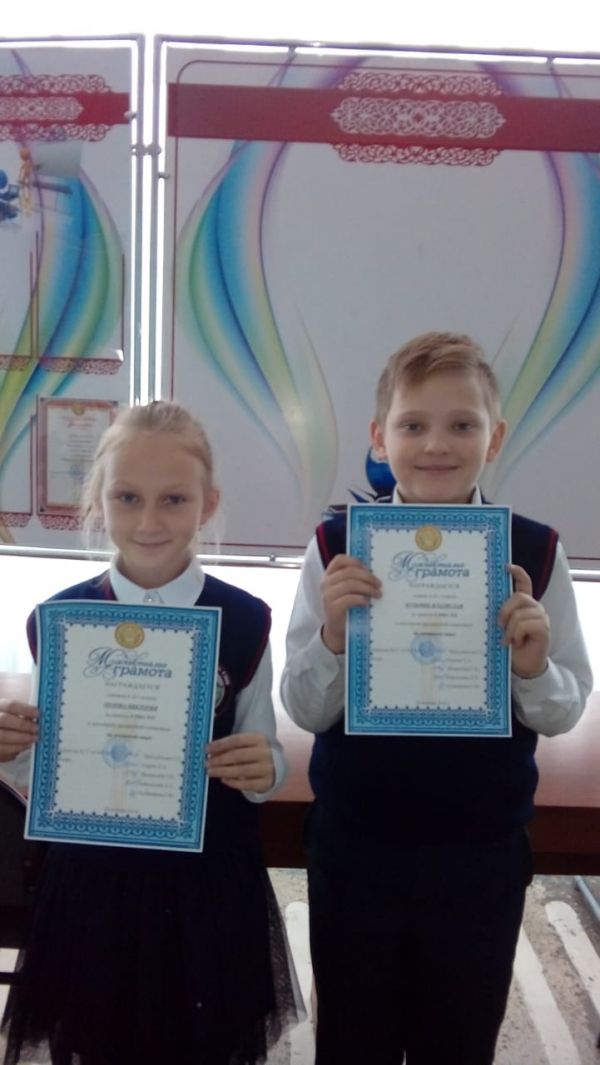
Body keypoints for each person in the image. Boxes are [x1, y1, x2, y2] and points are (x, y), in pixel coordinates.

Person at [280, 331, 593, 1065]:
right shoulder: (335, 547)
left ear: (495, 438)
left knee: (459, 1039)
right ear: (379, 438)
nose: (436, 444)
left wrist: (532, 666)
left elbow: (564, 710)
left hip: (479, 851)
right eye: (413, 424)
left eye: (462, 424)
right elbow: (305, 707)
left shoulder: (536, 552)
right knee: (352, 1039)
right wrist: (333, 637)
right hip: (357, 847)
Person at [0, 400, 303, 1065]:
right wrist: (13, 752)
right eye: (127, 497)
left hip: (204, 886)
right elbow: (48, 771)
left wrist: (265, 768)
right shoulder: (58, 621)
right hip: (94, 886)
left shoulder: (245, 621)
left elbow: (263, 749)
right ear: (98, 500)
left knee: (203, 1043)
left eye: (173, 499)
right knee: (96, 1040)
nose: (148, 520)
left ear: (208, 503)